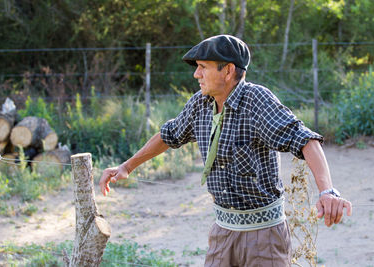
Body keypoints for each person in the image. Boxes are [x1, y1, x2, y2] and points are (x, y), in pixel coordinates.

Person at [99, 35, 352, 267]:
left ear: (228, 70)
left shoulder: (257, 101)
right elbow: (169, 135)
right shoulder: (200, 103)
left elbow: (307, 140)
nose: (196, 74)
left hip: (265, 238)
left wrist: (327, 191)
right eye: (197, 67)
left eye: (203, 67)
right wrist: (126, 167)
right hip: (222, 233)